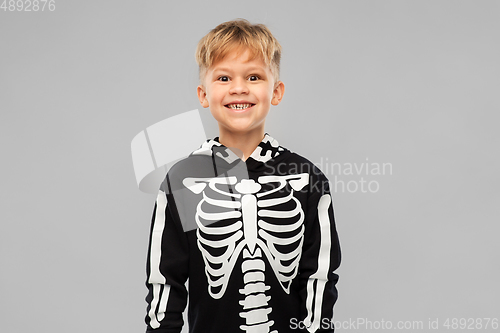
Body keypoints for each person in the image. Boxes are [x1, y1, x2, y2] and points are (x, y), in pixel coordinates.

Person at [145, 18, 341, 333]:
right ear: (203, 94)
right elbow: (166, 282)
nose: (239, 88)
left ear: (276, 92)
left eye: (253, 77)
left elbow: (318, 279)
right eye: (223, 77)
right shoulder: (184, 179)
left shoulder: (305, 177)